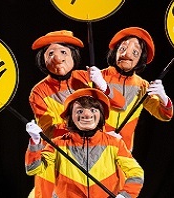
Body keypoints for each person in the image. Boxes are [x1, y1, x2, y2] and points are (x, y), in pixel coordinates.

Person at [28, 30, 125, 198]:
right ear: (43, 60)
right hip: (64, 153)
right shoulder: (39, 91)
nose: (57, 58)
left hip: (98, 148)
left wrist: (103, 85)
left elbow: (120, 103)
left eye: (63, 52)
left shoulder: (87, 77)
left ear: (73, 56)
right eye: (50, 53)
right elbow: (49, 130)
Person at [25, 88, 144, 198]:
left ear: (101, 115)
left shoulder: (115, 143)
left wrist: (125, 195)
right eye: (80, 110)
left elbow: (136, 173)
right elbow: (33, 169)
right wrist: (35, 141)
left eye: (93, 110)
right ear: (70, 116)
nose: (87, 115)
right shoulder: (57, 145)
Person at [100, 27, 174, 152]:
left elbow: (164, 115)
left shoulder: (142, 86)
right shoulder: (98, 77)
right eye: (122, 49)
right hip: (92, 148)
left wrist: (163, 97)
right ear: (115, 52)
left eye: (135, 52)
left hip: (121, 152)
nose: (126, 55)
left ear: (141, 58)